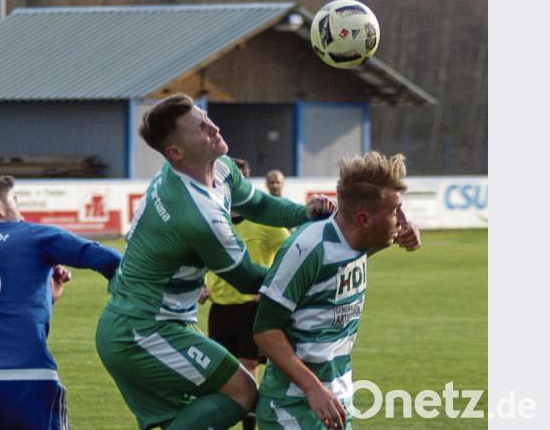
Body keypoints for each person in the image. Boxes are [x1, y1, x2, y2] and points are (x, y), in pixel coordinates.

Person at [95, 93, 336, 430]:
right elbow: (250, 278)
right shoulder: (197, 214)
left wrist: (304, 213)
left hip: (149, 325)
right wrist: (317, 281)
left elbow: (259, 205)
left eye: (206, 118)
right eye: (200, 127)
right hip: (143, 332)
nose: (213, 127)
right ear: (175, 153)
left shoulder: (218, 168)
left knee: (199, 412)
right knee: (242, 391)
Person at [0, 175, 122, 430]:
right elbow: (106, 259)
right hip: (25, 377)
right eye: (15, 202)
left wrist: (46, 295)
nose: (20, 213)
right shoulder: (30, 235)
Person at [253, 152, 421, 430]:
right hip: (292, 408)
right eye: (394, 212)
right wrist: (312, 388)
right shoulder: (308, 249)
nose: (400, 220)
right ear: (364, 219)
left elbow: (394, 236)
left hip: (336, 399)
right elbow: (265, 330)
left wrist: (409, 230)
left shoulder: (358, 242)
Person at [199, 161, 292, 430]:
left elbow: (292, 253)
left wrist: (271, 288)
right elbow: (205, 257)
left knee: (248, 370)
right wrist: (204, 285)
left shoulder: (265, 223)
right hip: (220, 308)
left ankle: (251, 427)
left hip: (252, 309)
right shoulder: (214, 218)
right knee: (220, 376)